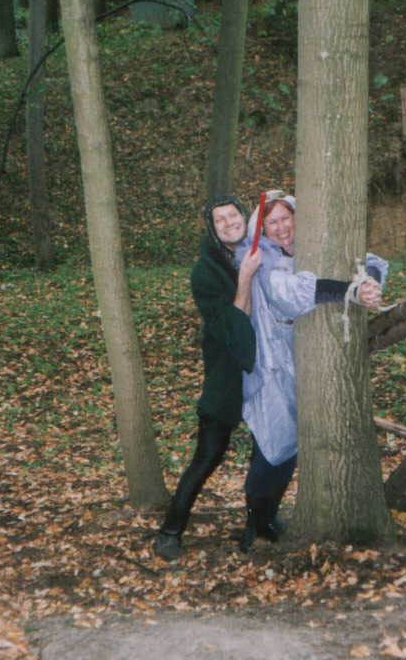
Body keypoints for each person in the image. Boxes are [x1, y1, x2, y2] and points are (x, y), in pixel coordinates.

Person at [234, 190, 387, 552]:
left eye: (286, 218)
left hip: (298, 361)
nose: (281, 227)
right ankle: (255, 524)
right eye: (272, 222)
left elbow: (370, 261)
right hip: (270, 364)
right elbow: (288, 294)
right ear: (262, 229)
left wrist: (369, 283)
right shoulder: (262, 259)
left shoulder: (314, 245)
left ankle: (266, 518)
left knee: (288, 445)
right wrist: (351, 292)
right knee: (272, 442)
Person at [154, 195, 262, 561]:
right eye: (220, 220)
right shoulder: (205, 272)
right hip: (226, 371)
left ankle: (258, 527)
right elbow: (232, 324)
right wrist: (245, 278)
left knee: (267, 454)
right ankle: (171, 531)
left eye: (233, 215)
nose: (230, 222)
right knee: (208, 454)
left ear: (245, 217)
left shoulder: (260, 250)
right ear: (213, 230)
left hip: (267, 369)